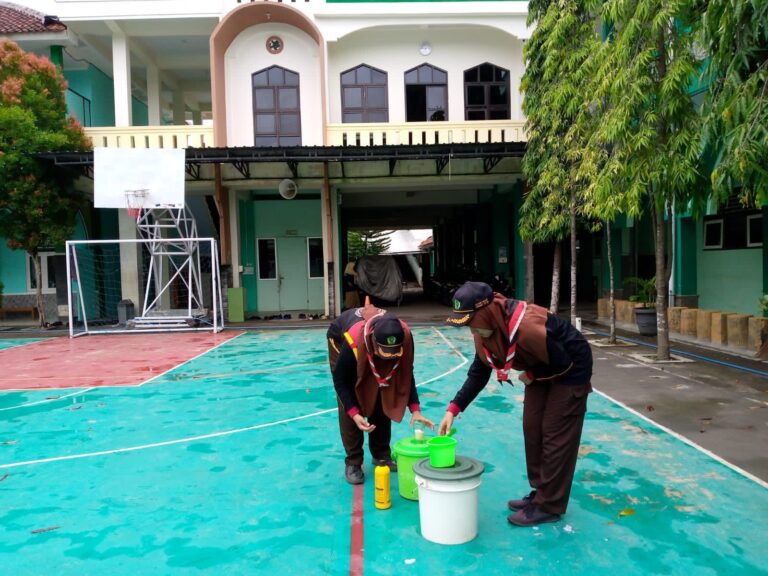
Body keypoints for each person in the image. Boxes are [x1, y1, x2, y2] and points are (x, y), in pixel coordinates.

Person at [438, 281, 592, 526]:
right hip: (540, 365)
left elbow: (563, 362)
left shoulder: (528, 328)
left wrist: (530, 376)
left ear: (486, 312)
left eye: (471, 322)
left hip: (569, 368)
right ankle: (541, 493)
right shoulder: (486, 329)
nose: (471, 330)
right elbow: (479, 371)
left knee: (554, 435)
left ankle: (549, 505)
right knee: (533, 428)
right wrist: (453, 409)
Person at [329, 307, 434, 484]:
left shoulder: (406, 336)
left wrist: (415, 409)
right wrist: (354, 413)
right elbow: (341, 382)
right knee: (351, 399)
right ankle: (353, 461)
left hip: (374, 347)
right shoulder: (352, 340)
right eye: (385, 353)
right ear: (374, 342)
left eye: (394, 353)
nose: (390, 357)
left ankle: (381, 455)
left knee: (382, 392)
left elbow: (407, 373)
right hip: (340, 342)